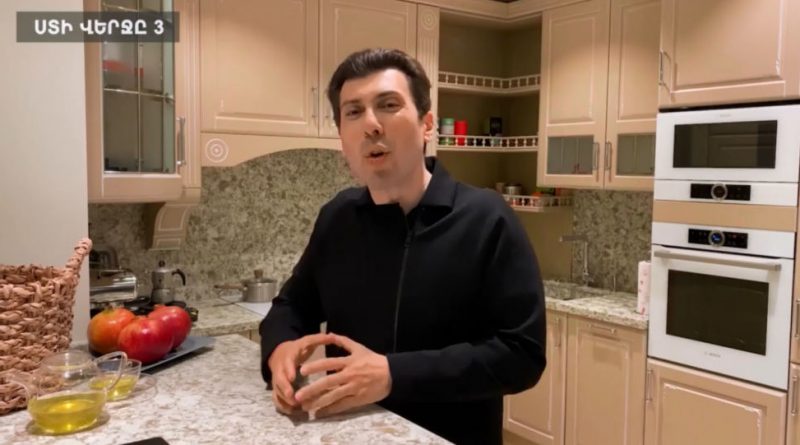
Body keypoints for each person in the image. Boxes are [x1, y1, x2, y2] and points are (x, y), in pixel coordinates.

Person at [259, 48, 546, 445]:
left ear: (427, 125)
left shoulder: (486, 219)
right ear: (342, 137)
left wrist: (393, 374)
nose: (371, 125)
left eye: (388, 105)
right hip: (350, 434)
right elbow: (293, 305)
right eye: (353, 112)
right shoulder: (338, 218)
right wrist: (280, 350)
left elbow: (522, 355)